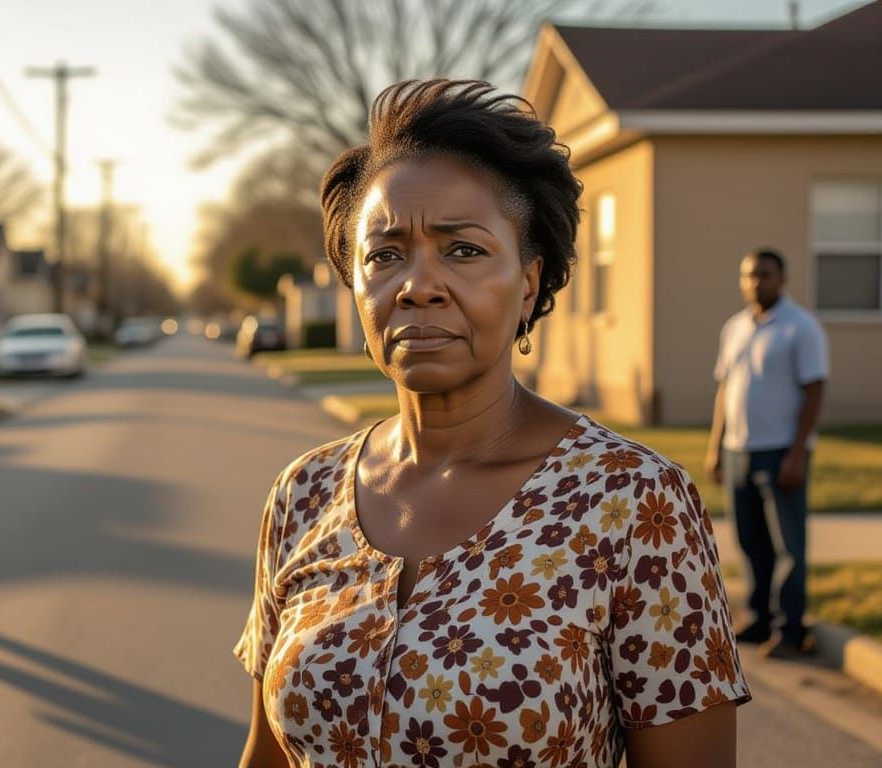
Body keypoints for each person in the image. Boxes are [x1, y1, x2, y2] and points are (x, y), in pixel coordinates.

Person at [236, 80, 749, 768]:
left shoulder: (634, 503)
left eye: (463, 250)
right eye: (383, 255)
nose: (418, 283)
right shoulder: (303, 493)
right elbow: (267, 756)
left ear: (530, 283)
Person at [705, 248, 828, 659]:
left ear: (782, 278)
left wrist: (797, 453)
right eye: (749, 275)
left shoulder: (800, 327)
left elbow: (814, 391)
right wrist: (716, 447)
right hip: (739, 449)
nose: (755, 282)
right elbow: (725, 389)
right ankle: (759, 618)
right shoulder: (735, 327)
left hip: (781, 452)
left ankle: (790, 627)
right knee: (749, 541)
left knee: (788, 546)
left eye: (765, 274)